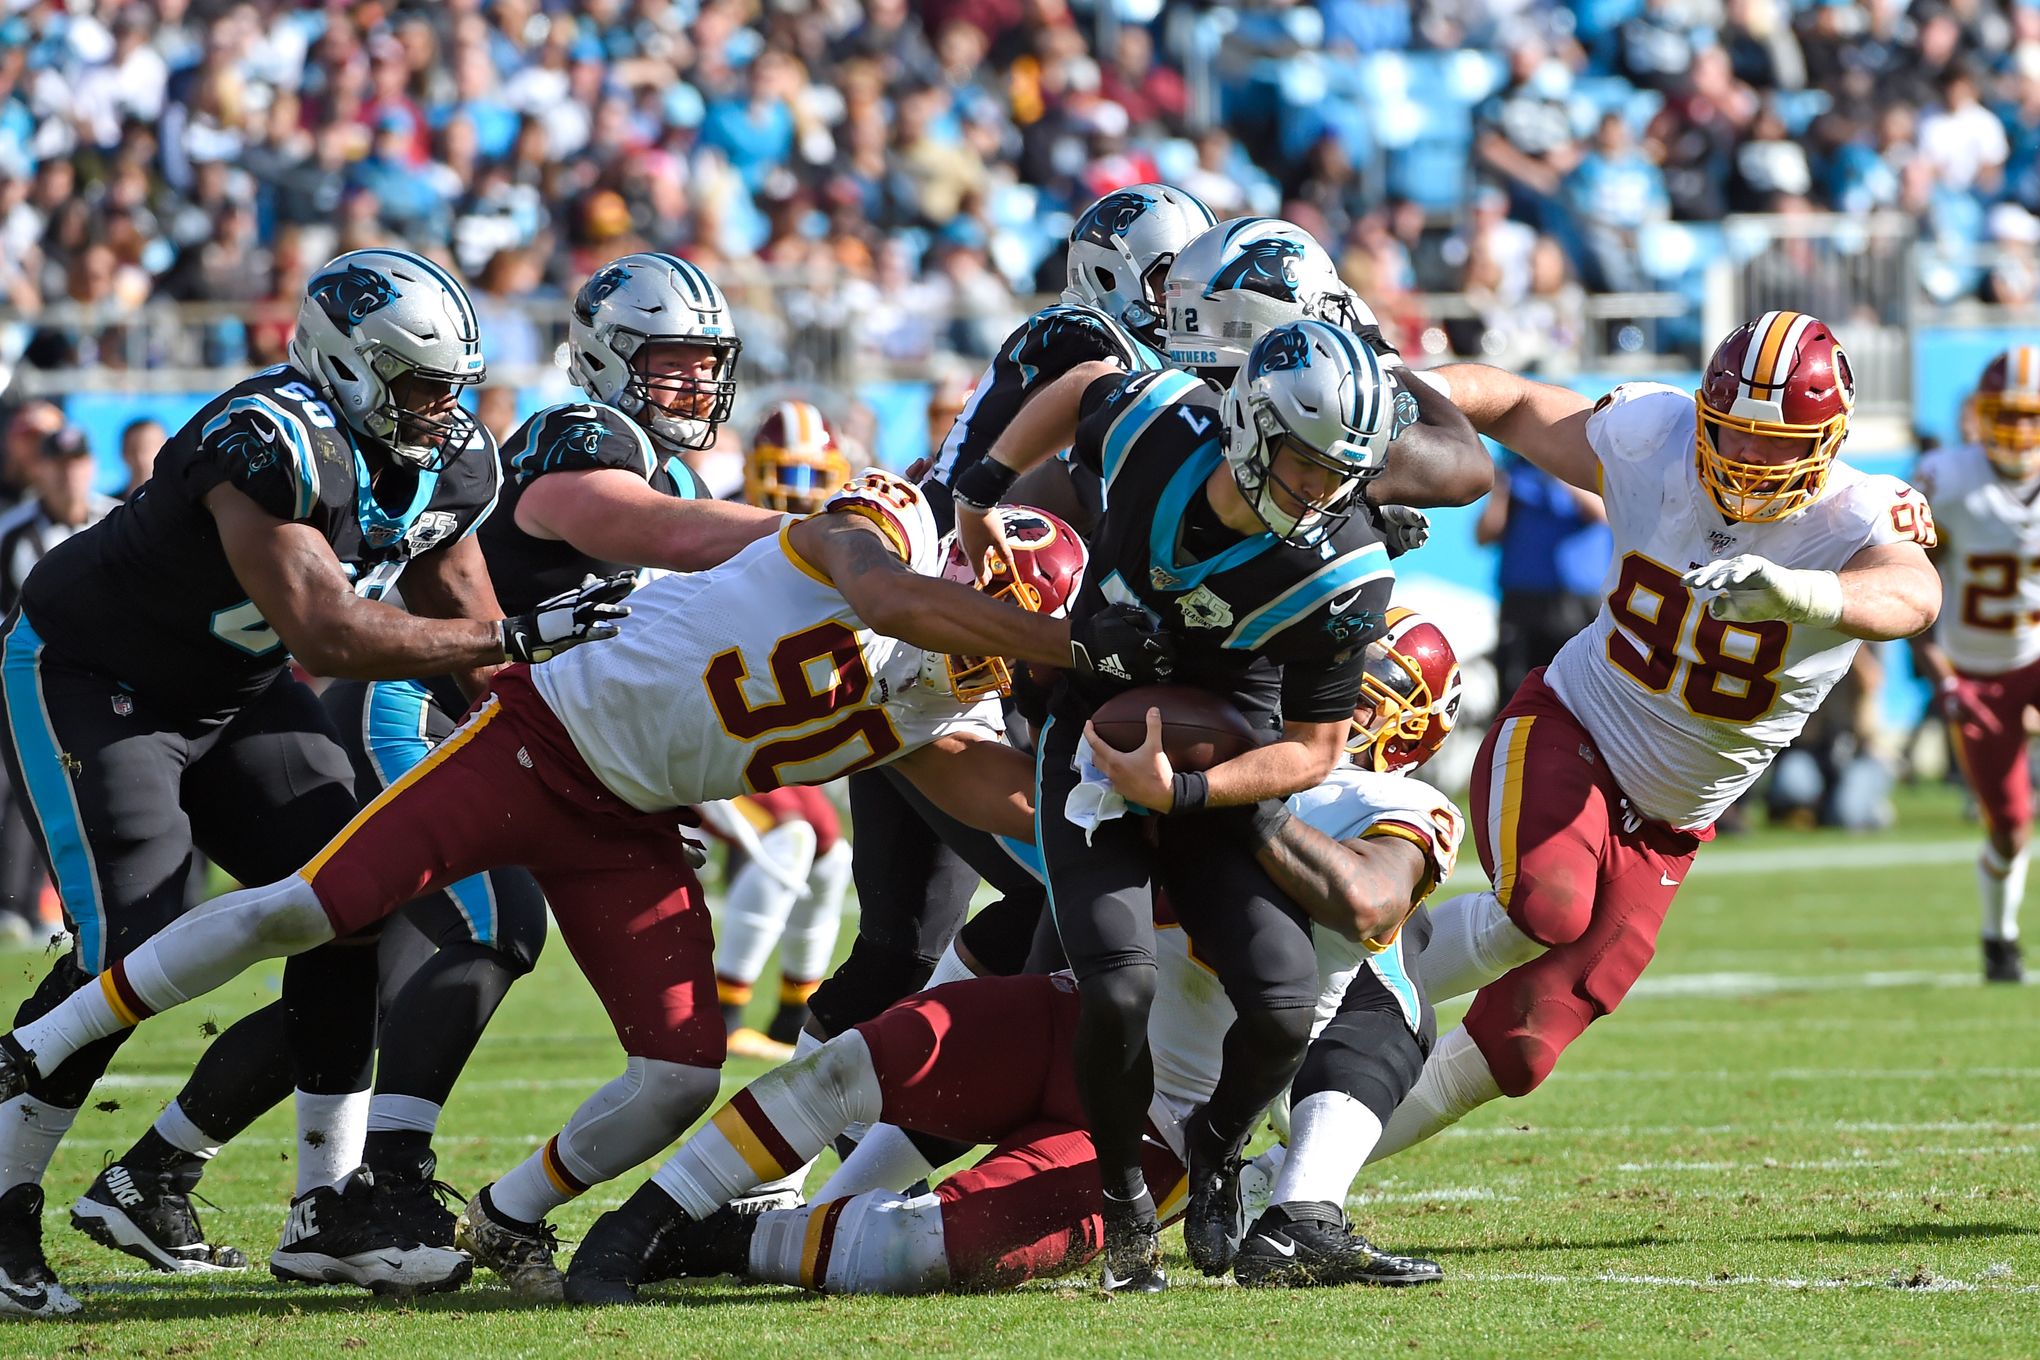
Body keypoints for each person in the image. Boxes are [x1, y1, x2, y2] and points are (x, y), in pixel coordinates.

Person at [0, 478, 1166, 1304]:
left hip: (633, 826)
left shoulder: (941, 705)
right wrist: (1074, 645)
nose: (994, 657)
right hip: (540, 742)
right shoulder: (882, 523)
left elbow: (1012, 801)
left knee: (678, 1077)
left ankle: (503, 1215)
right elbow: (897, 599)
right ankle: (50, 1035)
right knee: (314, 906)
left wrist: (1174, 801)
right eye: (1002, 617)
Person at [0, 248, 631, 1312]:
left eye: (452, 385)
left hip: (232, 692)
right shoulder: (269, 439)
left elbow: (476, 648)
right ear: (346, 363)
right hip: (95, 677)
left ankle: (326, 1210)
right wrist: (519, 628)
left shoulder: (450, 459)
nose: (444, 410)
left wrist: (595, 769)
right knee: (137, 939)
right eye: (421, 385)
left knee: (352, 896)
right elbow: (326, 631)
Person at [557, 613, 1462, 1302]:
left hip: (1171, 1122)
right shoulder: (1216, 727)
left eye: (1379, 696)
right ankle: (637, 1226)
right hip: (1071, 1017)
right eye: (1348, 683)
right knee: (858, 1058)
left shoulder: (1404, 805)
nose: (1354, 704)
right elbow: (1034, 812)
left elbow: (1370, 899)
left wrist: (1234, 795)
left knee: (924, 1248)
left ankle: (721, 1245)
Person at [307, 253, 784, 1287]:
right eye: (672, 363)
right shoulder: (592, 435)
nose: (696, 386)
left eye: (708, 365)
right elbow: (630, 530)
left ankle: (168, 1158)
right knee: (485, 926)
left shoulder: (684, 473)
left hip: (549, 747)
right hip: (439, 707)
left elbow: (639, 671)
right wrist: (808, 538)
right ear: (611, 359)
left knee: (344, 952)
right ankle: (386, 1178)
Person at [1374, 311, 1940, 1164]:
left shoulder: (1859, 514)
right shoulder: (1655, 434)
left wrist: (1803, 594)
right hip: (1578, 724)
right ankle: (1332, 999)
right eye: (1733, 436)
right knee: (1546, 905)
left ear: (1826, 440)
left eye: (1775, 444)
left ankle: (1288, 1175)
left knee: (1525, 1045)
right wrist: (1383, 405)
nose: (1749, 461)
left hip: (1678, 816)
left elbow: (1914, 596)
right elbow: (1516, 402)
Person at [946, 319, 1407, 1292]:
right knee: (1116, 987)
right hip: (1093, 734)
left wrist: (1187, 790)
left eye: (1343, 474)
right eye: (1306, 465)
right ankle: (1122, 1201)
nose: (1323, 493)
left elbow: (1316, 747)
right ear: (1248, 425)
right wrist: (977, 489)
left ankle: (1217, 1146)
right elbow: (1083, 384)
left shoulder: (1342, 566)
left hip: (1219, 752)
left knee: (1283, 1005)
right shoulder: (1158, 425)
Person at [1911, 346, 2040, 983]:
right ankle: (1999, 937)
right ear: (1979, 415)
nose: (2017, 432)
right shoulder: (1945, 479)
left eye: (2030, 416)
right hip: (1976, 669)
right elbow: (1909, 583)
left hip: (2036, 654)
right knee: (2011, 825)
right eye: (2005, 415)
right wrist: (1942, 675)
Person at [0, 428, 118, 943]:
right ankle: (13, 903)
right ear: (41, 470)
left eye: (79, 460)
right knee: (21, 787)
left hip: (107, 678)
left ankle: (88, 905)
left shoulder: (119, 520)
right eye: (59, 462)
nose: (70, 471)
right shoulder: (12, 532)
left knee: (102, 785)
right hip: (28, 678)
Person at [1475, 451, 1610, 700]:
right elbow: (1484, 535)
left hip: (1579, 602)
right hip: (1523, 600)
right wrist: (1500, 488)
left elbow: (1602, 514)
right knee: (1516, 691)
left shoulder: (1588, 467)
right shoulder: (1516, 474)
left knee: (1580, 693)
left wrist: (1555, 467)